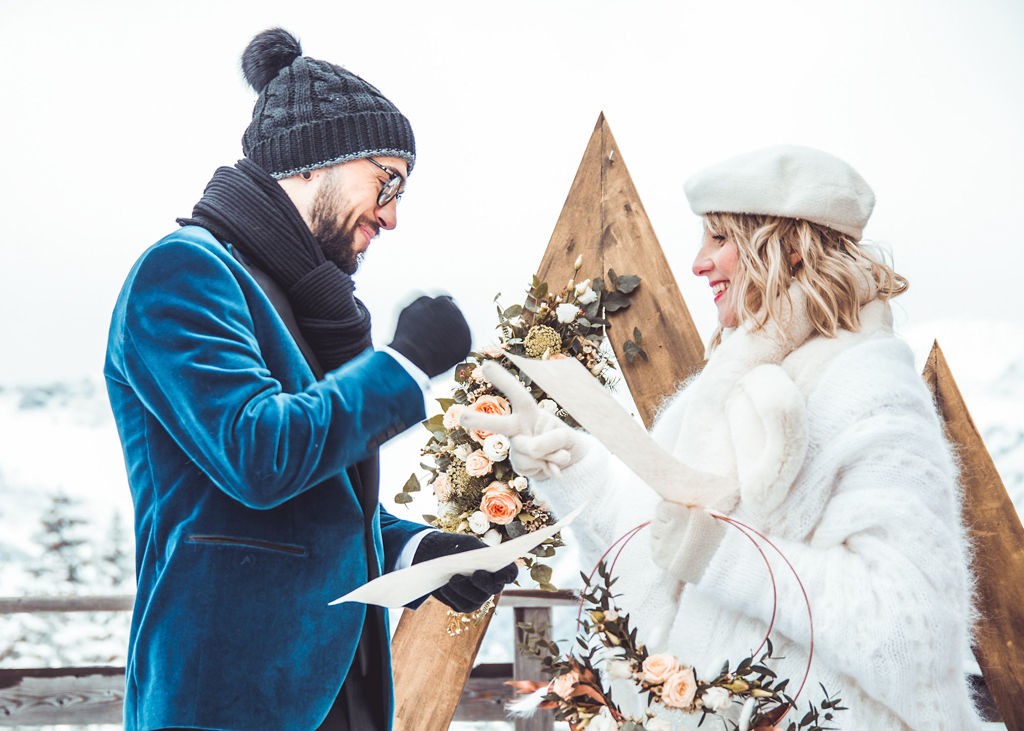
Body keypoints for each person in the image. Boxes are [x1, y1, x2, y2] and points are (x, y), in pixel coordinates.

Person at [463, 146, 986, 728]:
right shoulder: (718, 385)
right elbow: (654, 563)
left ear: (787, 246)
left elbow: (909, 632)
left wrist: (726, 557)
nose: (698, 263)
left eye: (719, 239)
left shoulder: (869, 384)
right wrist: (571, 467)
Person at [104, 28, 516, 731]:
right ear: (312, 160)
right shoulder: (183, 273)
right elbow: (258, 455)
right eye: (386, 180)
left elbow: (307, 512)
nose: (391, 213)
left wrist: (422, 552)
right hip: (227, 702)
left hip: (343, 695)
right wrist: (404, 364)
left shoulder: (306, 307)